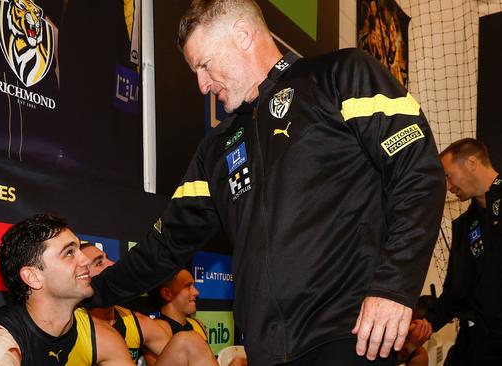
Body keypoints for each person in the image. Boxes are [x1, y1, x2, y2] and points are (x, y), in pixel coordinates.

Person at [87, 0, 446, 365]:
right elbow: (165, 245)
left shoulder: (341, 74)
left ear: (242, 35)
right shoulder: (217, 146)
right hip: (266, 353)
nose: (202, 84)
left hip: (349, 337)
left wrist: (394, 287)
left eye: (204, 65)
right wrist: (89, 292)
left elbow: (418, 174)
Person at [0, 214, 134, 366]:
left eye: (78, 250)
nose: (85, 260)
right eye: (69, 253)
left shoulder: (95, 333)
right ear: (33, 277)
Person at [421, 138, 502, 365]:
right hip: (475, 345)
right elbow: (457, 292)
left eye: (448, 175)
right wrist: (426, 323)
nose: (447, 186)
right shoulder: (464, 225)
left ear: (472, 163)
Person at [80, 243, 217, 366]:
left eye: (108, 258)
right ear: (81, 276)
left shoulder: (135, 322)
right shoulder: (72, 323)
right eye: (99, 263)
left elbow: (182, 352)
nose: (112, 264)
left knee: (189, 340)